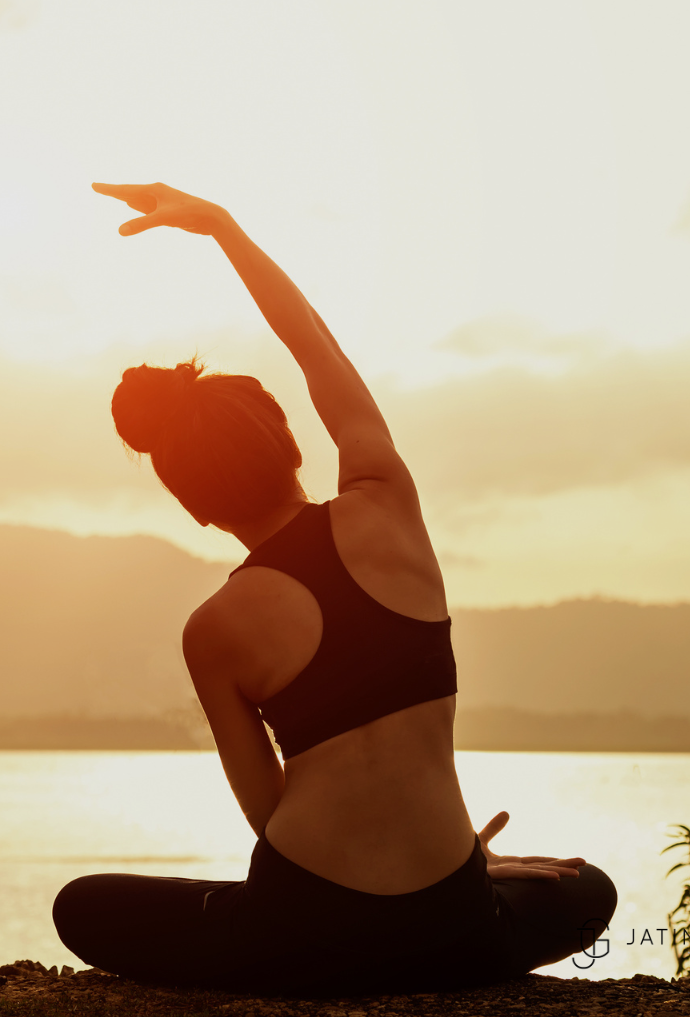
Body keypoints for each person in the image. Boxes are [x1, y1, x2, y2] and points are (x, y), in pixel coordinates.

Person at [52, 182, 615, 995]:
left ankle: (307, 935)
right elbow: (316, 346)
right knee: (584, 886)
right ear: (289, 441)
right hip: (451, 928)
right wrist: (221, 228)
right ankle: (461, 891)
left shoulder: (213, 630)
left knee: (86, 906)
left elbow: (269, 815)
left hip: (302, 940)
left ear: (196, 507)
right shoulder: (388, 503)